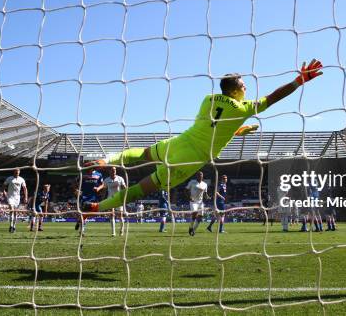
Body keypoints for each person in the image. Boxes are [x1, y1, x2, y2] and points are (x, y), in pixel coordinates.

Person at [83, 60, 323, 214]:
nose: (247, 88)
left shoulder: (208, 100)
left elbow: (214, 126)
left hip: (177, 142)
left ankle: (107, 160)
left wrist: (237, 130)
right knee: (140, 189)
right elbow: (272, 98)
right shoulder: (242, 109)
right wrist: (299, 80)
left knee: (141, 153)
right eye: (244, 85)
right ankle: (97, 207)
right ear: (236, 90)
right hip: (189, 158)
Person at [73, 165, 104, 235]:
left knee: (89, 213)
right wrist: (76, 190)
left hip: (93, 197)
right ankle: (82, 231)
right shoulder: (82, 174)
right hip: (83, 197)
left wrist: (98, 188)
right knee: (84, 212)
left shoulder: (99, 174)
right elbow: (74, 182)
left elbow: (102, 184)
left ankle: (79, 221)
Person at [101, 166, 127, 236]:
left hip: (119, 199)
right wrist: (103, 199)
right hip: (110, 199)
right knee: (112, 215)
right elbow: (104, 190)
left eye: (115, 170)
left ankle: (121, 230)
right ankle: (113, 232)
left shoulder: (120, 178)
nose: (114, 171)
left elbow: (124, 187)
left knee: (120, 216)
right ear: (109, 171)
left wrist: (126, 191)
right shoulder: (106, 180)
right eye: (112, 170)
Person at [3, 169, 28, 233]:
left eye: (18, 173)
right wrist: (4, 191)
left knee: (15, 212)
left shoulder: (21, 179)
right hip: (10, 196)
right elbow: (4, 185)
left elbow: (25, 188)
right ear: (14, 172)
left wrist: (26, 197)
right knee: (11, 210)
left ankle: (14, 226)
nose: (17, 174)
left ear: (19, 173)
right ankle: (11, 226)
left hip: (17, 198)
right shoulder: (9, 178)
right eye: (16, 173)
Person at [186, 171, 209, 236]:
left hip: (200, 202)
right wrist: (189, 197)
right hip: (193, 202)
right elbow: (185, 190)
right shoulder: (192, 182)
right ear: (196, 176)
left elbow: (205, 194)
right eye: (199, 175)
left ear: (203, 176)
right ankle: (191, 227)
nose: (200, 176)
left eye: (201, 175)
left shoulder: (205, 184)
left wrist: (207, 197)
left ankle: (193, 230)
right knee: (195, 213)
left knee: (200, 217)